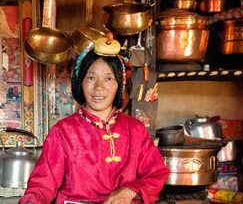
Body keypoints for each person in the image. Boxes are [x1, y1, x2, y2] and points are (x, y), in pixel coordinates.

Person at [19, 34, 169, 204]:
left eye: (108, 78)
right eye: (91, 78)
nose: (99, 87)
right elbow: (41, 186)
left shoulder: (135, 130)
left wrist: (129, 191)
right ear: (80, 83)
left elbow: (156, 174)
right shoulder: (63, 132)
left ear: (120, 85)